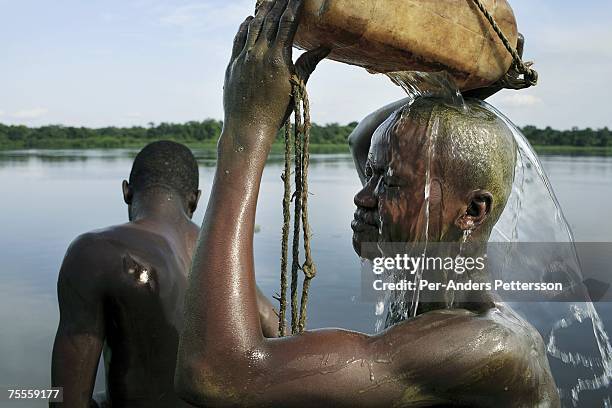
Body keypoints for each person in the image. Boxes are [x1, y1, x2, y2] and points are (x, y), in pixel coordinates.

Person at [175, 1, 560, 406]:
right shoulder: (429, 277)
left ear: (472, 211)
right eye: (371, 174)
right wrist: (453, 90)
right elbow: (364, 139)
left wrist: (244, 130)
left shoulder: (482, 345)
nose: (363, 194)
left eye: (390, 183)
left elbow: (216, 375)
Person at [51, 141, 279, 408]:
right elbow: (278, 331)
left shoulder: (95, 252)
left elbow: (66, 400)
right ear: (194, 198)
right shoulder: (221, 256)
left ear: (126, 191)